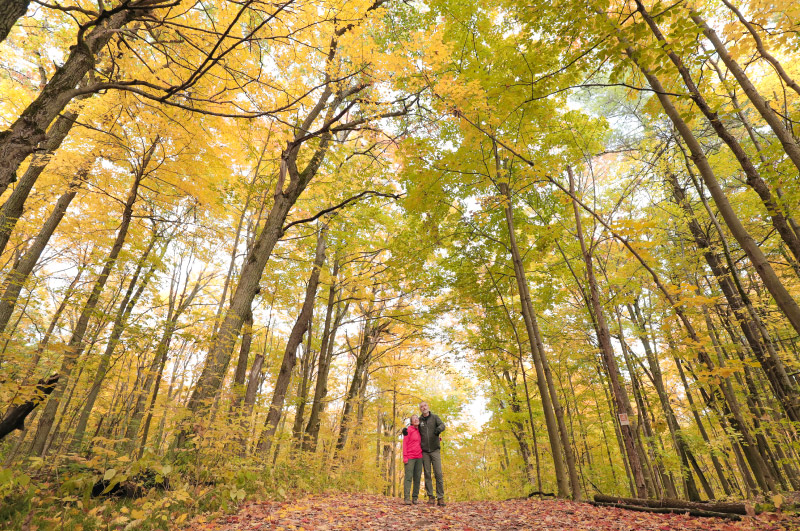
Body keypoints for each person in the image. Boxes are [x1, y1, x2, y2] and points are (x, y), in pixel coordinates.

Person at [418, 401, 446, 506]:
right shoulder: (419, 420)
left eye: (425, 406)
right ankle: (430, 496)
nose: (423, 408)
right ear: (420, 409)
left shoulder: (435, 417)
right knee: (427, 474)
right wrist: (405, 431)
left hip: (435, 450)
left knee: (438, 473)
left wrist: (438, 430)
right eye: (421, 407)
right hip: (424, 451)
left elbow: (443, 425)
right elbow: (413, 429)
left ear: (428, 407)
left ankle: (440, 497)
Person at [402, 414, 423, 505]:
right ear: (411, 421)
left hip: (419, 457)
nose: (416, 419)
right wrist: (405, 456)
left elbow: (427, 438)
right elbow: (405, 444)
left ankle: (415, 498)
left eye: (417, 418)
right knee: (408, 478)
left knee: (417, 478)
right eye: (414, 418)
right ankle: (407, 498)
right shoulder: (408, 430)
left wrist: (437, 439)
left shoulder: (421, 430)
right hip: (410, 457)